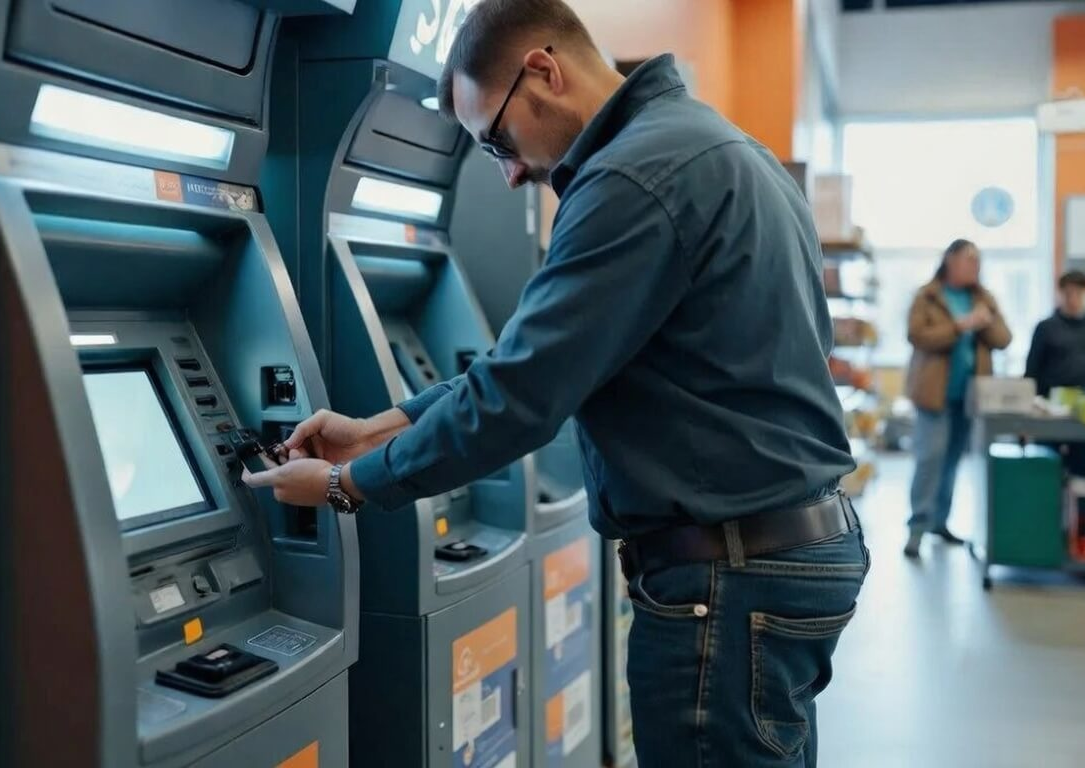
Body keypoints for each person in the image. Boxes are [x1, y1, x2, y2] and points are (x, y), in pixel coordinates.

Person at [244, 0, 868, 764]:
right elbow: (539, 364)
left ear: (544, 69)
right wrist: (379, 427)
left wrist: (350, 487)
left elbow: (521, 397)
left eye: (499, 139)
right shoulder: (713, 146)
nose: (507, 175)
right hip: (777, 557)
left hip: (728, 575)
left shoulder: (633, 178)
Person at [904, 239, 1012, 558]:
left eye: (978, 262)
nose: (975, 267)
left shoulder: (983, 299)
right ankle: (917, 527)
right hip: (933, 395)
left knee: (952, 461)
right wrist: (960, 325)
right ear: (950, 260)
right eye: (969, 260)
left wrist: (985, 321)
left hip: (968, 397)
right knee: (929, 460)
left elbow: (1004, 339)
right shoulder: (928, 296)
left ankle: (941, 522)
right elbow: (917, 335)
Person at [1025, 269, 1085, 479]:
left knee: (1083, 474)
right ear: (1060, 293)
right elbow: (1031, 372)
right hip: (1049, 412)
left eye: (1079, 293)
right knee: (1045, 475)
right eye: (1068, 293)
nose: (1073, 298)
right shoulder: (1046, 327)